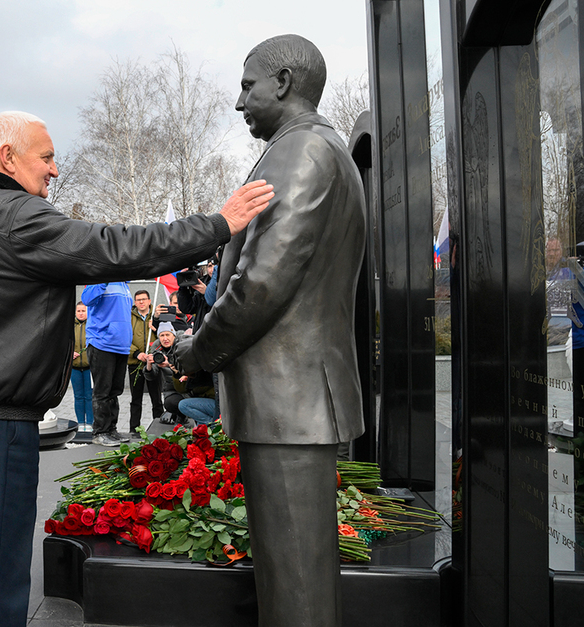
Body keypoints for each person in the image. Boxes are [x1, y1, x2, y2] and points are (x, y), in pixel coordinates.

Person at [0, 110, 271, 627]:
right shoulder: (14, 215)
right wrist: (217, 225)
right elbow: (116, 247)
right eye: (46, 157)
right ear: (7, 157)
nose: (55, 170)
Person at [173, 35, 367, 627]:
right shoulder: (318, 148)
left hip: (291, 402)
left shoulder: (301, 152)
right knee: (295, 575)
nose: (239, 102)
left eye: (247, 86)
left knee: (296, 588)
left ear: (283, 82)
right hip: (297, 402)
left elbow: (260, 286)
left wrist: (195, 352)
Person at [83, 282, 134, 447]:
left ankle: (111, 429)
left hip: (121, 345)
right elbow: (86, 299)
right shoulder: (98, 279)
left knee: (115, 390)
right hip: (101, 343)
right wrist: (104, 279)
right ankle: (100, 432)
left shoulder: (124, 284)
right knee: (102, 391)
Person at [128, 290, 163, 435]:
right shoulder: (128, 317)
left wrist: (154, 353)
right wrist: (137, 353)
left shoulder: (157, 316)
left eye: (144, 299)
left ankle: (159, 427)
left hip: (153, 364)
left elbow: (165, 337)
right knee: (136, 399)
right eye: (138, 300)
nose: (141, 302)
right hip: (135, 363)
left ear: (149, 301)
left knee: (156, 398)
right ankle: (134, 430)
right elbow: (124, 338)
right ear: (135, 302)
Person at [143, 323, 188, 424]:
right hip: (171, 389)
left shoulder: (182, 346)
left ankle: (182, 415)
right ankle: (178, 415)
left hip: (187, 387)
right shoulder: (157, 350)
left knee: (185, 403)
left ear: (174, 336)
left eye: (168, 335)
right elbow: (151, 376)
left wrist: (170, 364)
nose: (165, 338)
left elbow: (188, 368)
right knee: (170, 403)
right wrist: (149, 365)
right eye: (162, 335)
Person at [71, 302, 94, 431]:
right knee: (78, 396)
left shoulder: (92, 325)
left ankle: (90, 423)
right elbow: (63, 343)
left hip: (89, 367)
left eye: (83, 311)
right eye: (78, 311)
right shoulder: (70, 326)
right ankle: (80, 423)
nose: (81, 313)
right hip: (74, 367)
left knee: (89, 396)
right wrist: (69, 353)